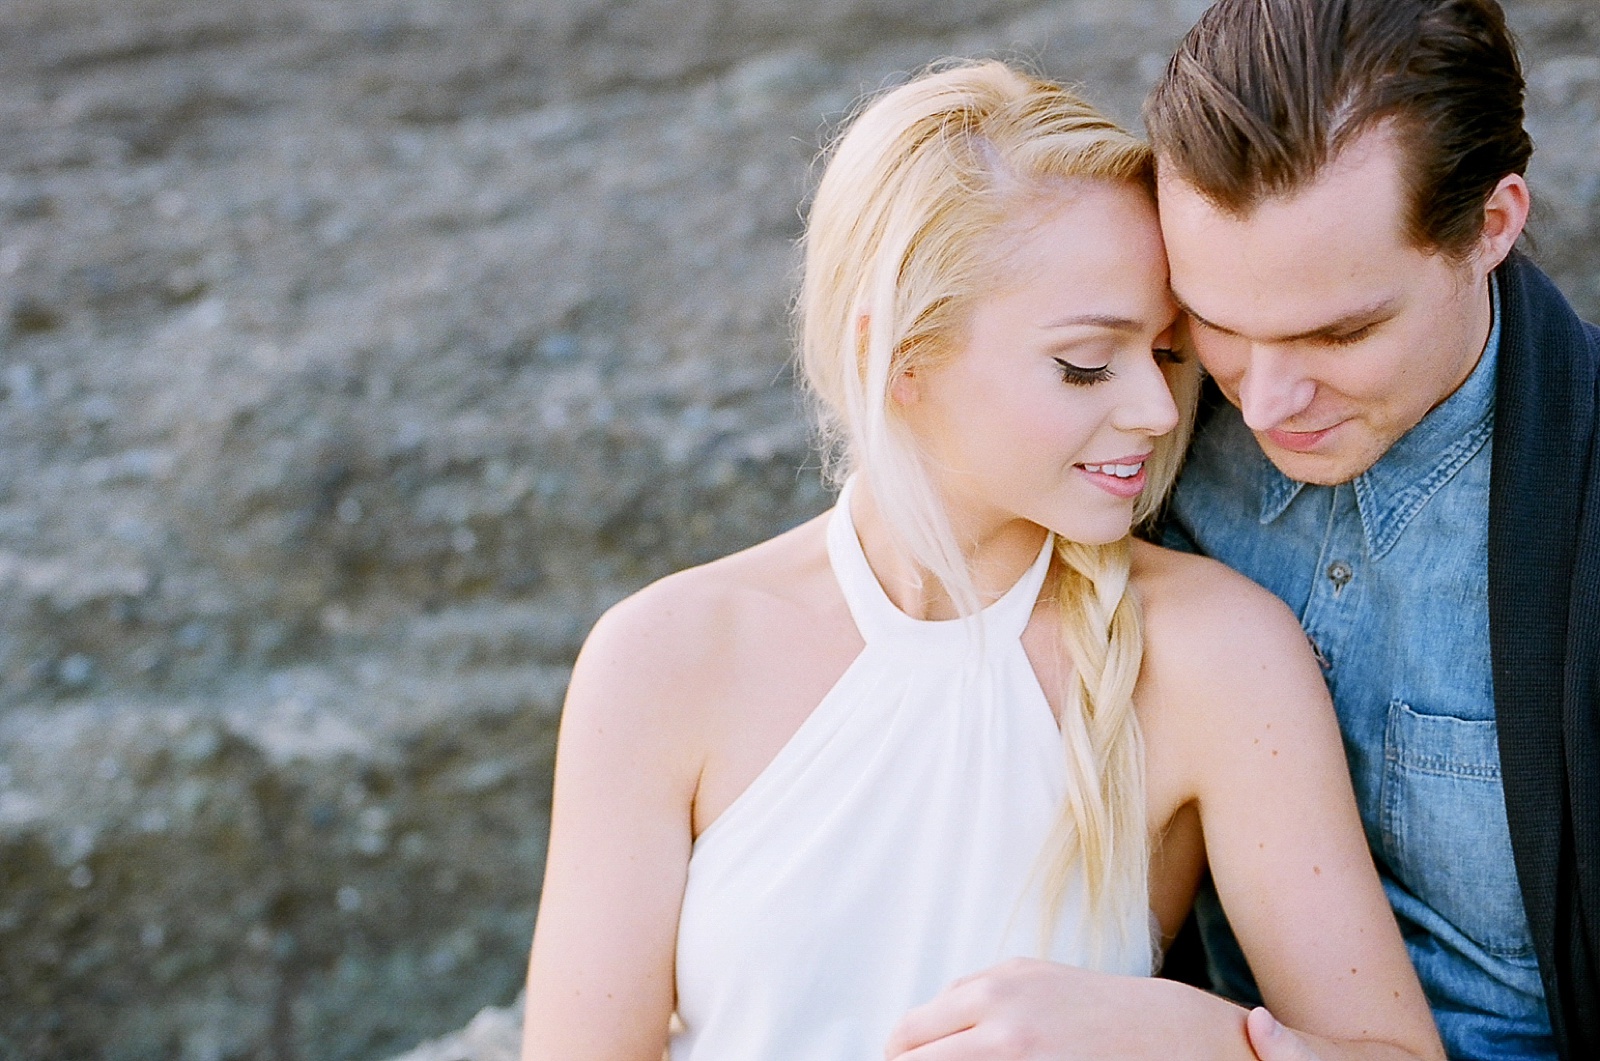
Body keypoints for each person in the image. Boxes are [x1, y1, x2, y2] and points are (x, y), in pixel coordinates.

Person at [519, 60, 1442, 1061]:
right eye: (1086, 360)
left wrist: (1195, 1035)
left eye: (1167, 351)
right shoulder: (665, 655)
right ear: (900, 357)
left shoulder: (1214, 653)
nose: (1156, 408)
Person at [887, 2, 1600, 1059]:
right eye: (1214, 319)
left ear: (1491, 225)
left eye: (1340, 331)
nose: (1264, 399)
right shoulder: (1137, 433)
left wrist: (1213, 1041)